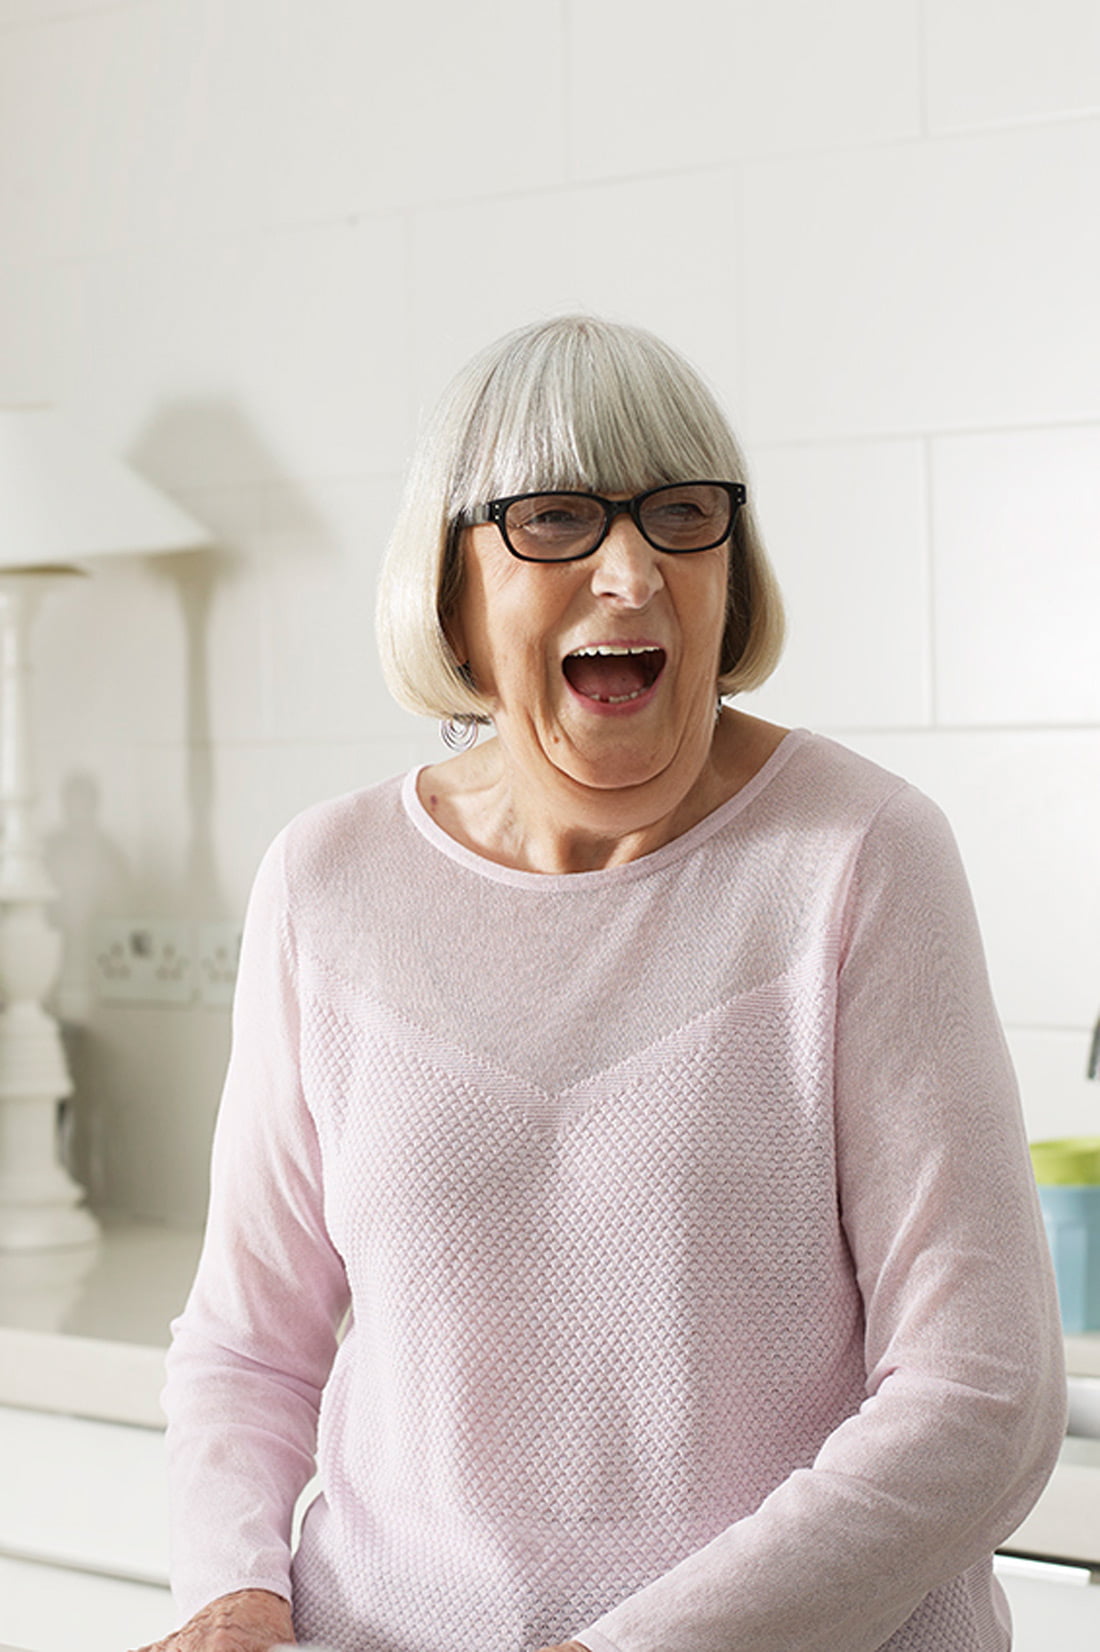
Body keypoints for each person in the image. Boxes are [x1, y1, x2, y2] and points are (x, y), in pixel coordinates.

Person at [156, 316, 1066, 1652]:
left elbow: (983, 1399)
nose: (633, 573)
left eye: (683, 515)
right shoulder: (324, 884)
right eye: (556, 519)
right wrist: (229, 1594)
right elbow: (247, 1348)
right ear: (450, 588)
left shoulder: (860, 856)